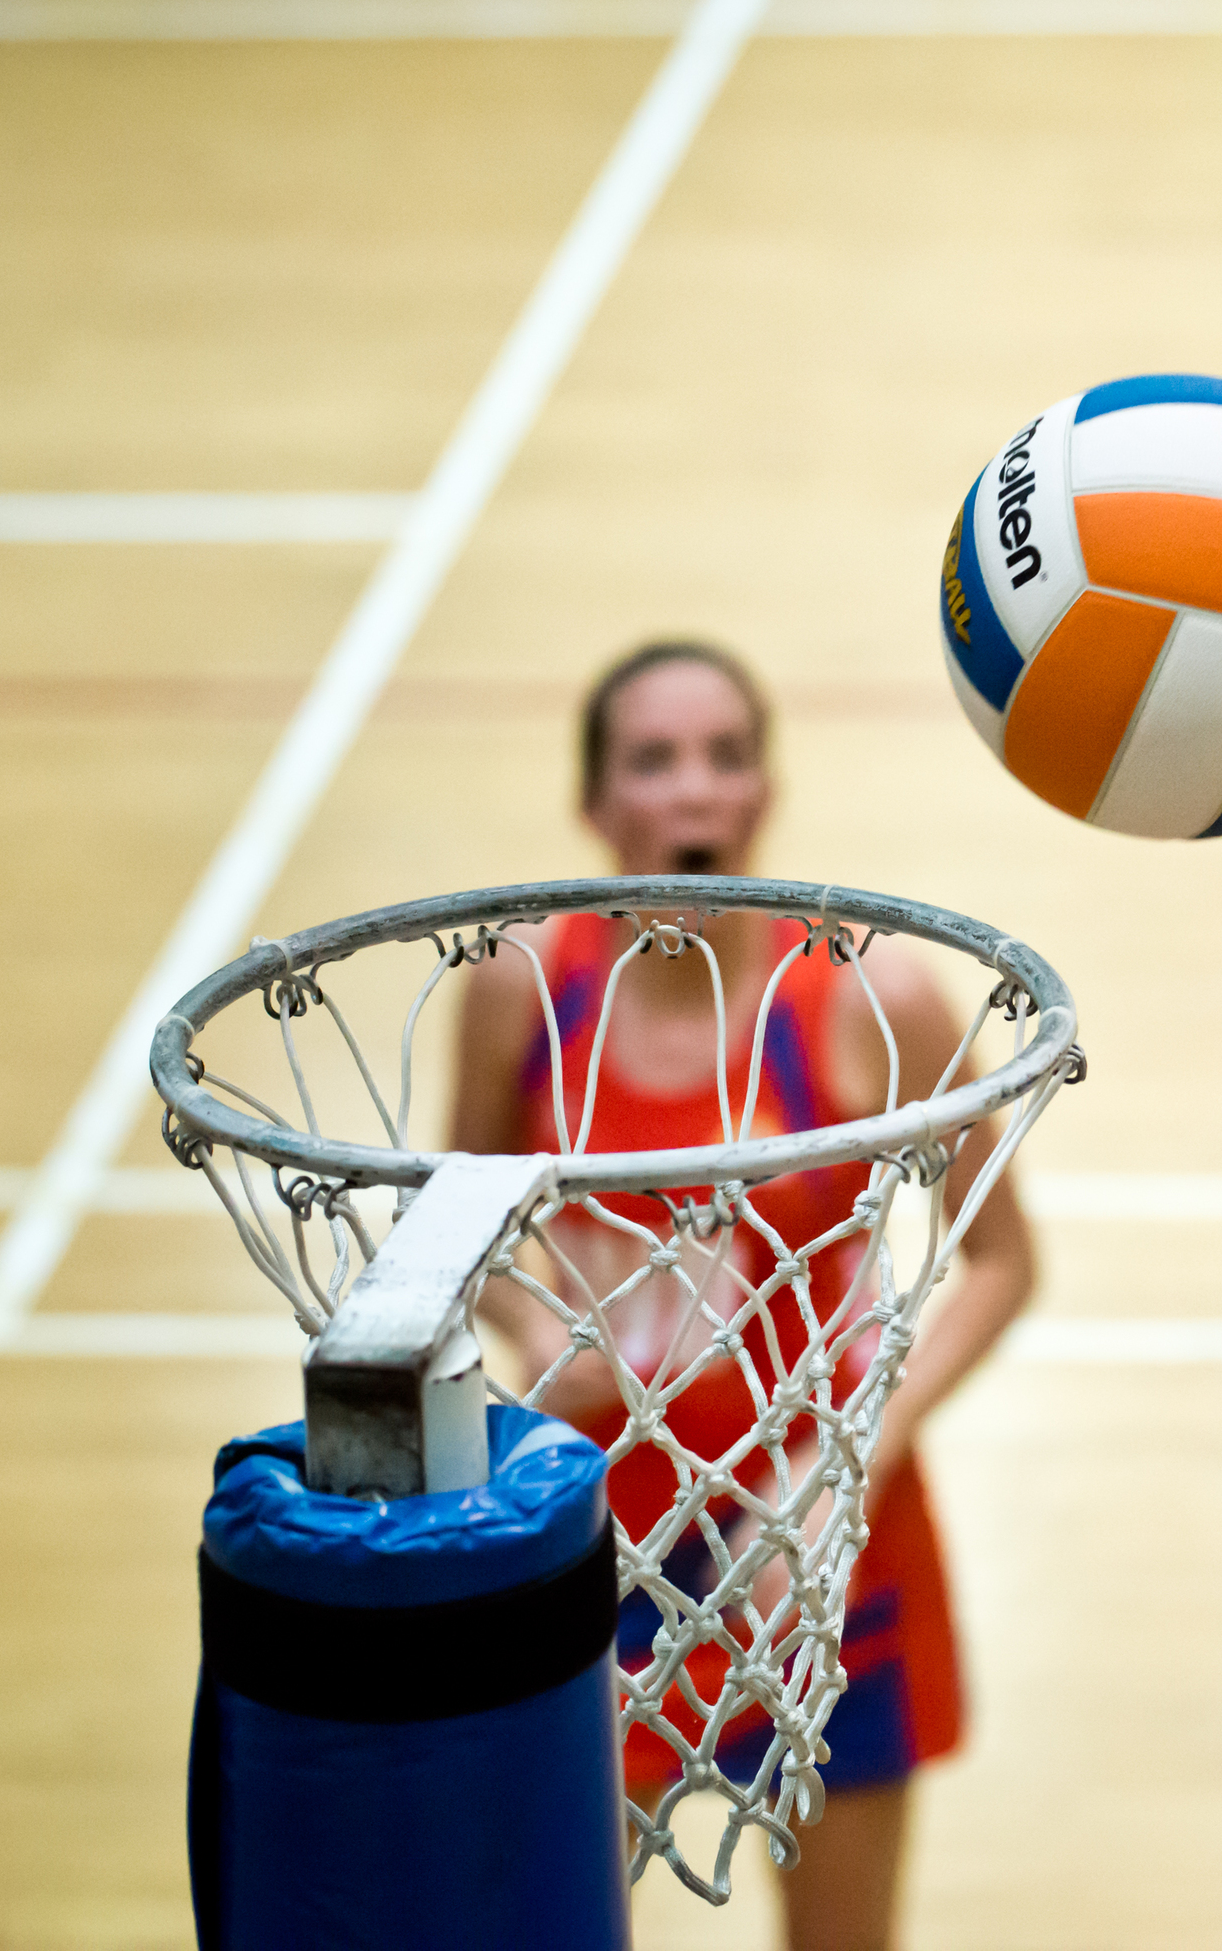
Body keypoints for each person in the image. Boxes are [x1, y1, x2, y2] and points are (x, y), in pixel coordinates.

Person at [451, 639, 1037, 1951]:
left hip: (817, 1525)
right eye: (653, 761)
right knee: (558, 1920)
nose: (695, 792)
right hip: (593, 1528)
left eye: (726, 756)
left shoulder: (871, 1001)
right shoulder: (523, 988)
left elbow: (1003, 1261)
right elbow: (465, 1229)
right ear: (595, 806)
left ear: (766, 791)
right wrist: (538, 1325)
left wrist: (851, 1467)